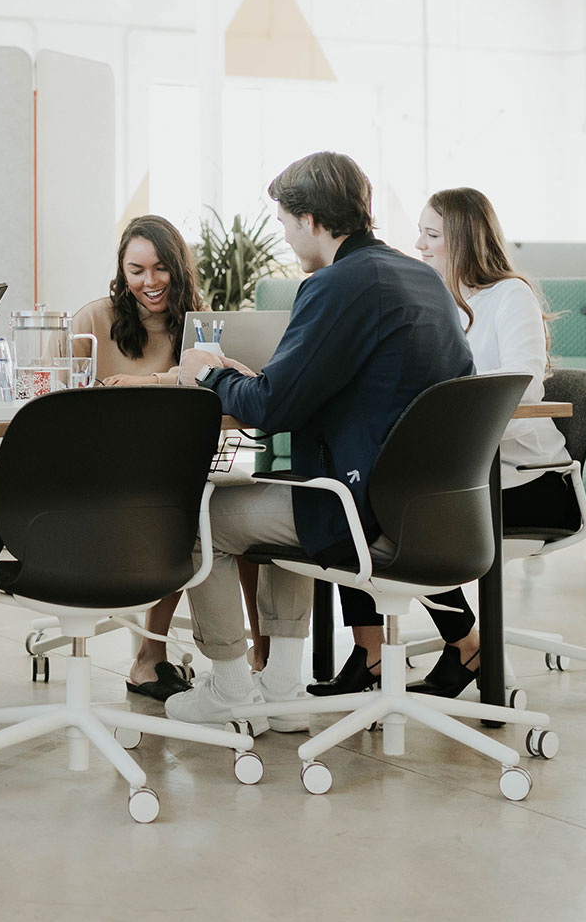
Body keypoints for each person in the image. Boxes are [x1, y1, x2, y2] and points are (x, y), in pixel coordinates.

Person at [163, 152, 474, 729]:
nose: (283, 236)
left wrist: (207, 372)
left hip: (364, 512)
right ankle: (281, 686)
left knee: (199, 514)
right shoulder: (420, 276)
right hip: (438, 511)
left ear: (310, 220)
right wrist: (258, 383)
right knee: (289, 486)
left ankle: (231, 687)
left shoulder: (337, 284)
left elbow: (271, 410)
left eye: (283, 222)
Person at [70, 215, 271, 698]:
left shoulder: (202, 326)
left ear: (178, 268)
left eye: (160, 268)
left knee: (232, 514)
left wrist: (150, 381)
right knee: (191, 510)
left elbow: (219, 390)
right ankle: (149, 656)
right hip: (105, 471)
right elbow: (66, 397)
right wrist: (178, 377)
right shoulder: (93, 320)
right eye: (136, 270)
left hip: (177, 467)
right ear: (121, 270)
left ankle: (263, 656)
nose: (149, 282)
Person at [401, 186, 582, 699]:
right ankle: (467, 643)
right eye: (420, 233)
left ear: (463, 238)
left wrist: (454, 429)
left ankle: (467, 646)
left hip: (532, 482)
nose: (420, 245)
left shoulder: (510, 295)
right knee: (378, 505)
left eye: (431, 234)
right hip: (470, 479)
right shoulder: (437, 304)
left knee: (412, 517)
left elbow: (523, 385)